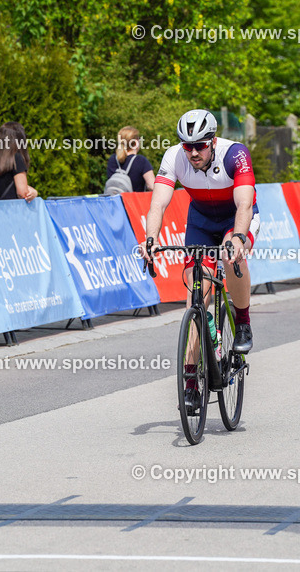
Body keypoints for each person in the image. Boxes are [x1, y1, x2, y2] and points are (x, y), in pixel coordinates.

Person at [138, 109, 259, 411]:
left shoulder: (236, 155)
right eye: (187, 145)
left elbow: (244, 203)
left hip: (236, 218)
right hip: (202, 221)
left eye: (200, 145)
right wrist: (150, 240)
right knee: (197, 299)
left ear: (212, 141)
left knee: (232, 257)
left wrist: (239, 238)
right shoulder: (174, 157)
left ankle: (242, 323)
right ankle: (191, 381)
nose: (193, 152)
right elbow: (158, 204)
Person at [105, 126, 155, 193]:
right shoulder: (141, 161)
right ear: (136, 142)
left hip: (115, 202)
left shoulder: (113, 159)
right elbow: (152, 186)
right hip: (134, 202)